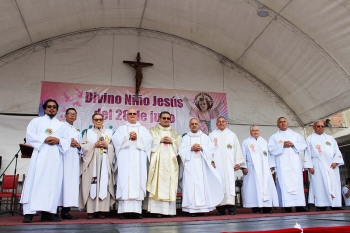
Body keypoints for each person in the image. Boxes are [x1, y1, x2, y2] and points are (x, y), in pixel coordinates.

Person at [21, 99, 70, 223]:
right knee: (35, 182)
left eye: (54, 107)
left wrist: (58, 141)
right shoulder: (36, 121)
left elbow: (67, 140)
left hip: (55, 158)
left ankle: (48, 212)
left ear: (57, 110)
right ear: (44, 109)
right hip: (40, 155)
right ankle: (29, 213)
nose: (52, 109)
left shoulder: (62, 125)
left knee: (52, 184)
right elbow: (30, 136)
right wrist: (45, 138)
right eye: (49, 107)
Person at [112, 108, 152, 219]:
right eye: (130, 114)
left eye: (134, 114)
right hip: (125, 160)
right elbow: (115, 140)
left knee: (138, 182)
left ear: (137, 115)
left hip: (139, 160)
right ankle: (123, 212)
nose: (132, 115)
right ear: (126, 116)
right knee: (125, 181)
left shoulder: (143, 129)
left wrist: (138, 137)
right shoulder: (121, 129)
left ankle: (137, 211)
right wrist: (127, 137)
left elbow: (149, 141)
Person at [179, 118, 224, 216]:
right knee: (191, 186)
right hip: (190, 166)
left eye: (196, 124)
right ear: (189, 126)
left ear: (199, 125)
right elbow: (181, 151)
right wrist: (190, 148)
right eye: (192, 124)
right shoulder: (185, 138)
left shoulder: (204, 137)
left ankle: (203, 209)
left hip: (202, 166)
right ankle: (192, 209)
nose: (194, 125)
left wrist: (202, 148)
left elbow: (210, 149)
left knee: (202, 186)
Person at [268, 117, 308, 213]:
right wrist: (282, 145)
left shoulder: (295, 135)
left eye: (284, 122)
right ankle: (286, 206)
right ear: (277, 125)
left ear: (288, 123)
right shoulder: (274, 137)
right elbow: (270, 149)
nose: (283, 123)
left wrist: (293, 144)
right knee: (284, 183)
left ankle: (300, 205)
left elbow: (303, 145)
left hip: (295, 163)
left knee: (297, 182)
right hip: (282, 163)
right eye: (280, 122)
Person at [146, 111, 182, 217]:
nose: (166, 120)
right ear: (159, 119)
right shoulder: (152, 131)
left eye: (168, 118)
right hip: (157, 164)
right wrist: (159, 140)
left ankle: (169, 211)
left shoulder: (175, 134)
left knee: (170, 185)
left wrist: (172, 142)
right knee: (156, 184)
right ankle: (157, 211)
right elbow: (147, 144)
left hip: (170, 164)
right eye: (164, 118)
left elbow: (180, 149)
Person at [80, 113, 115, 219]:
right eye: (96, 120)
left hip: (105, 161)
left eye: (100, 119)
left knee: (104, 183)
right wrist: (94, 145)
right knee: (92, 184)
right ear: (93, 121)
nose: (98, 121)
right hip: (92, 162)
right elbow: (83, 146)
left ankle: (102, 210)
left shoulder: (109, 133)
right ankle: (91, 211)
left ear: (103, 121)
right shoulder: (88, 132)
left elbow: (115, 146)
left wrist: (107, 146)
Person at [304, 120, 344, 211]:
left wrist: (336, 161)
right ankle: (322, 204)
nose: (321, 128)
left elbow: (337, 151)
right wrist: (309, 166)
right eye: (318, 126)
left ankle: (335, 204)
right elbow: (307, 153)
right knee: (319, 184)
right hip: (318, 164)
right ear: (314, 127)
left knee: (334, 183)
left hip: (331, 165)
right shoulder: (309, 139)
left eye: (322, 126)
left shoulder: (330, 138)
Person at [209, 116, 245, 215]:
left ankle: (231, 208)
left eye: (223, 121)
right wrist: (211, 161)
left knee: (230, 186)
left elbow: (237, 149)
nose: (221, 123)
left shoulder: (232, 135)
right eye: (219, 122)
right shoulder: (212, 135)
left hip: (229, 165)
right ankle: (220, 209)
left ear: (226, 123)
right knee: (219, 185)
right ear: (216, 124)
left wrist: (237, 162)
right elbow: (208, 150)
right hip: (218, 166)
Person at [241, 125, 279, 214]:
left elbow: (268, 155)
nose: (256, 132)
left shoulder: (264, 142)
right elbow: (242, 155)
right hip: (252, 169)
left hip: (264, 169)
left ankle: (267, 207)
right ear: (250, 132)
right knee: (253, 188)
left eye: (257, 130)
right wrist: (243, 167)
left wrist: (271, 165)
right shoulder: (246, 142)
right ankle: (256, 208)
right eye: (253, 131)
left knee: (267, 187)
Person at [59, 108, 81, 220]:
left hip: (73, 160)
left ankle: (66, 211)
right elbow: (58, 141)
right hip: (63, 158)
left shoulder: (77, 131)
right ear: (65, 115)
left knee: (70, 185)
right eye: (70, 114)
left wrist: (78, 145)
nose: (72, 116)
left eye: (74, 115)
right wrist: (68, 143)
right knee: (61, 184)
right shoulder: (60, 127)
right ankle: (54, 210)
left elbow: (81, 146)